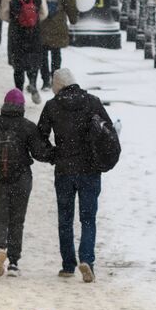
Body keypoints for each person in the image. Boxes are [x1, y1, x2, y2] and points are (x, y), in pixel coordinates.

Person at [37, 67, 113, 282]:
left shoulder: (52, 106)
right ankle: (87, 259)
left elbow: (39, 137)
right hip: (90, 169)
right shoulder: (92, 102)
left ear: (57, 86)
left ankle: (68, 265)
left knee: (65, 219)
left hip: (64, 170)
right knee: (88, 218)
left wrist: (53, 155)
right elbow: (107, 131)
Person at [0, 88, 55, 277]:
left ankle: (0, 247)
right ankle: (14, 263)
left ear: (4, 105)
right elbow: (39, 152)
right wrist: (56, 154)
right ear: (22, 107)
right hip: (21, 178)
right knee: (17, 220)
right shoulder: (27, 126)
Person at [0, 0, 48, 105]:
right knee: (33, 60)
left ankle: (18, 92)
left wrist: (15, 20)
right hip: (34, 33)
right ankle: (33, 83)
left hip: (16, 34)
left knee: (18, 64)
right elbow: (44, 13)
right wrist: (33, 20)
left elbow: (3, 14)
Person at [37, 0, 79, 90]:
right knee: (56, 53)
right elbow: (69, 2)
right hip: (57, 22)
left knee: (42, 54)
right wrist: (73, 18)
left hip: (41, 22)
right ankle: (55, 80)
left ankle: (45, 81)